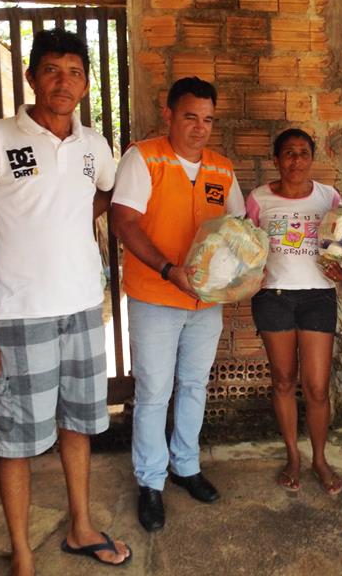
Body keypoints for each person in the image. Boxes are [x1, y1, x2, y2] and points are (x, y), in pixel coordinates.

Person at [0, 29, 130, 575]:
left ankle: (80, 527)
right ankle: (23, 554)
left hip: (81, 307)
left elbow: (106, 190)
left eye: (75, 72)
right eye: (52, 69)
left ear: (85, 83)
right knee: (17, 440)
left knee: (78, 426)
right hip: (16, 315)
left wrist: (75, 216)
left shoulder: (94, 145)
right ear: (31, 77)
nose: (64, 81)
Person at [110, 77, 246, 532]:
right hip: (156, 297)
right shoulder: (143, 158)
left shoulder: (222, 169)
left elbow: (240, 232)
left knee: (194, 384)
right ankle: (150, 480)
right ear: (169, 115)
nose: (199, 128)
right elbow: (124, 221)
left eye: (208, 119)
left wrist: (251, 271)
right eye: (190, 117)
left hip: (205, 303)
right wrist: (170, 270)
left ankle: (185, 466)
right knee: (154, 390)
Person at [246, 129, 342, 494]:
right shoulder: (257, 199)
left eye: (304, 153)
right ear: (276, 159)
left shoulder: (329, 197)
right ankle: (293, 456)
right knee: (284, 380)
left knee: (317, 387)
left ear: (312, 158)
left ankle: (320, 458)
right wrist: (245, 277)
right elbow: (242, 245)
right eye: (288, 153)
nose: (296, 160)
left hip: (319, 297)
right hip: (274, 297)